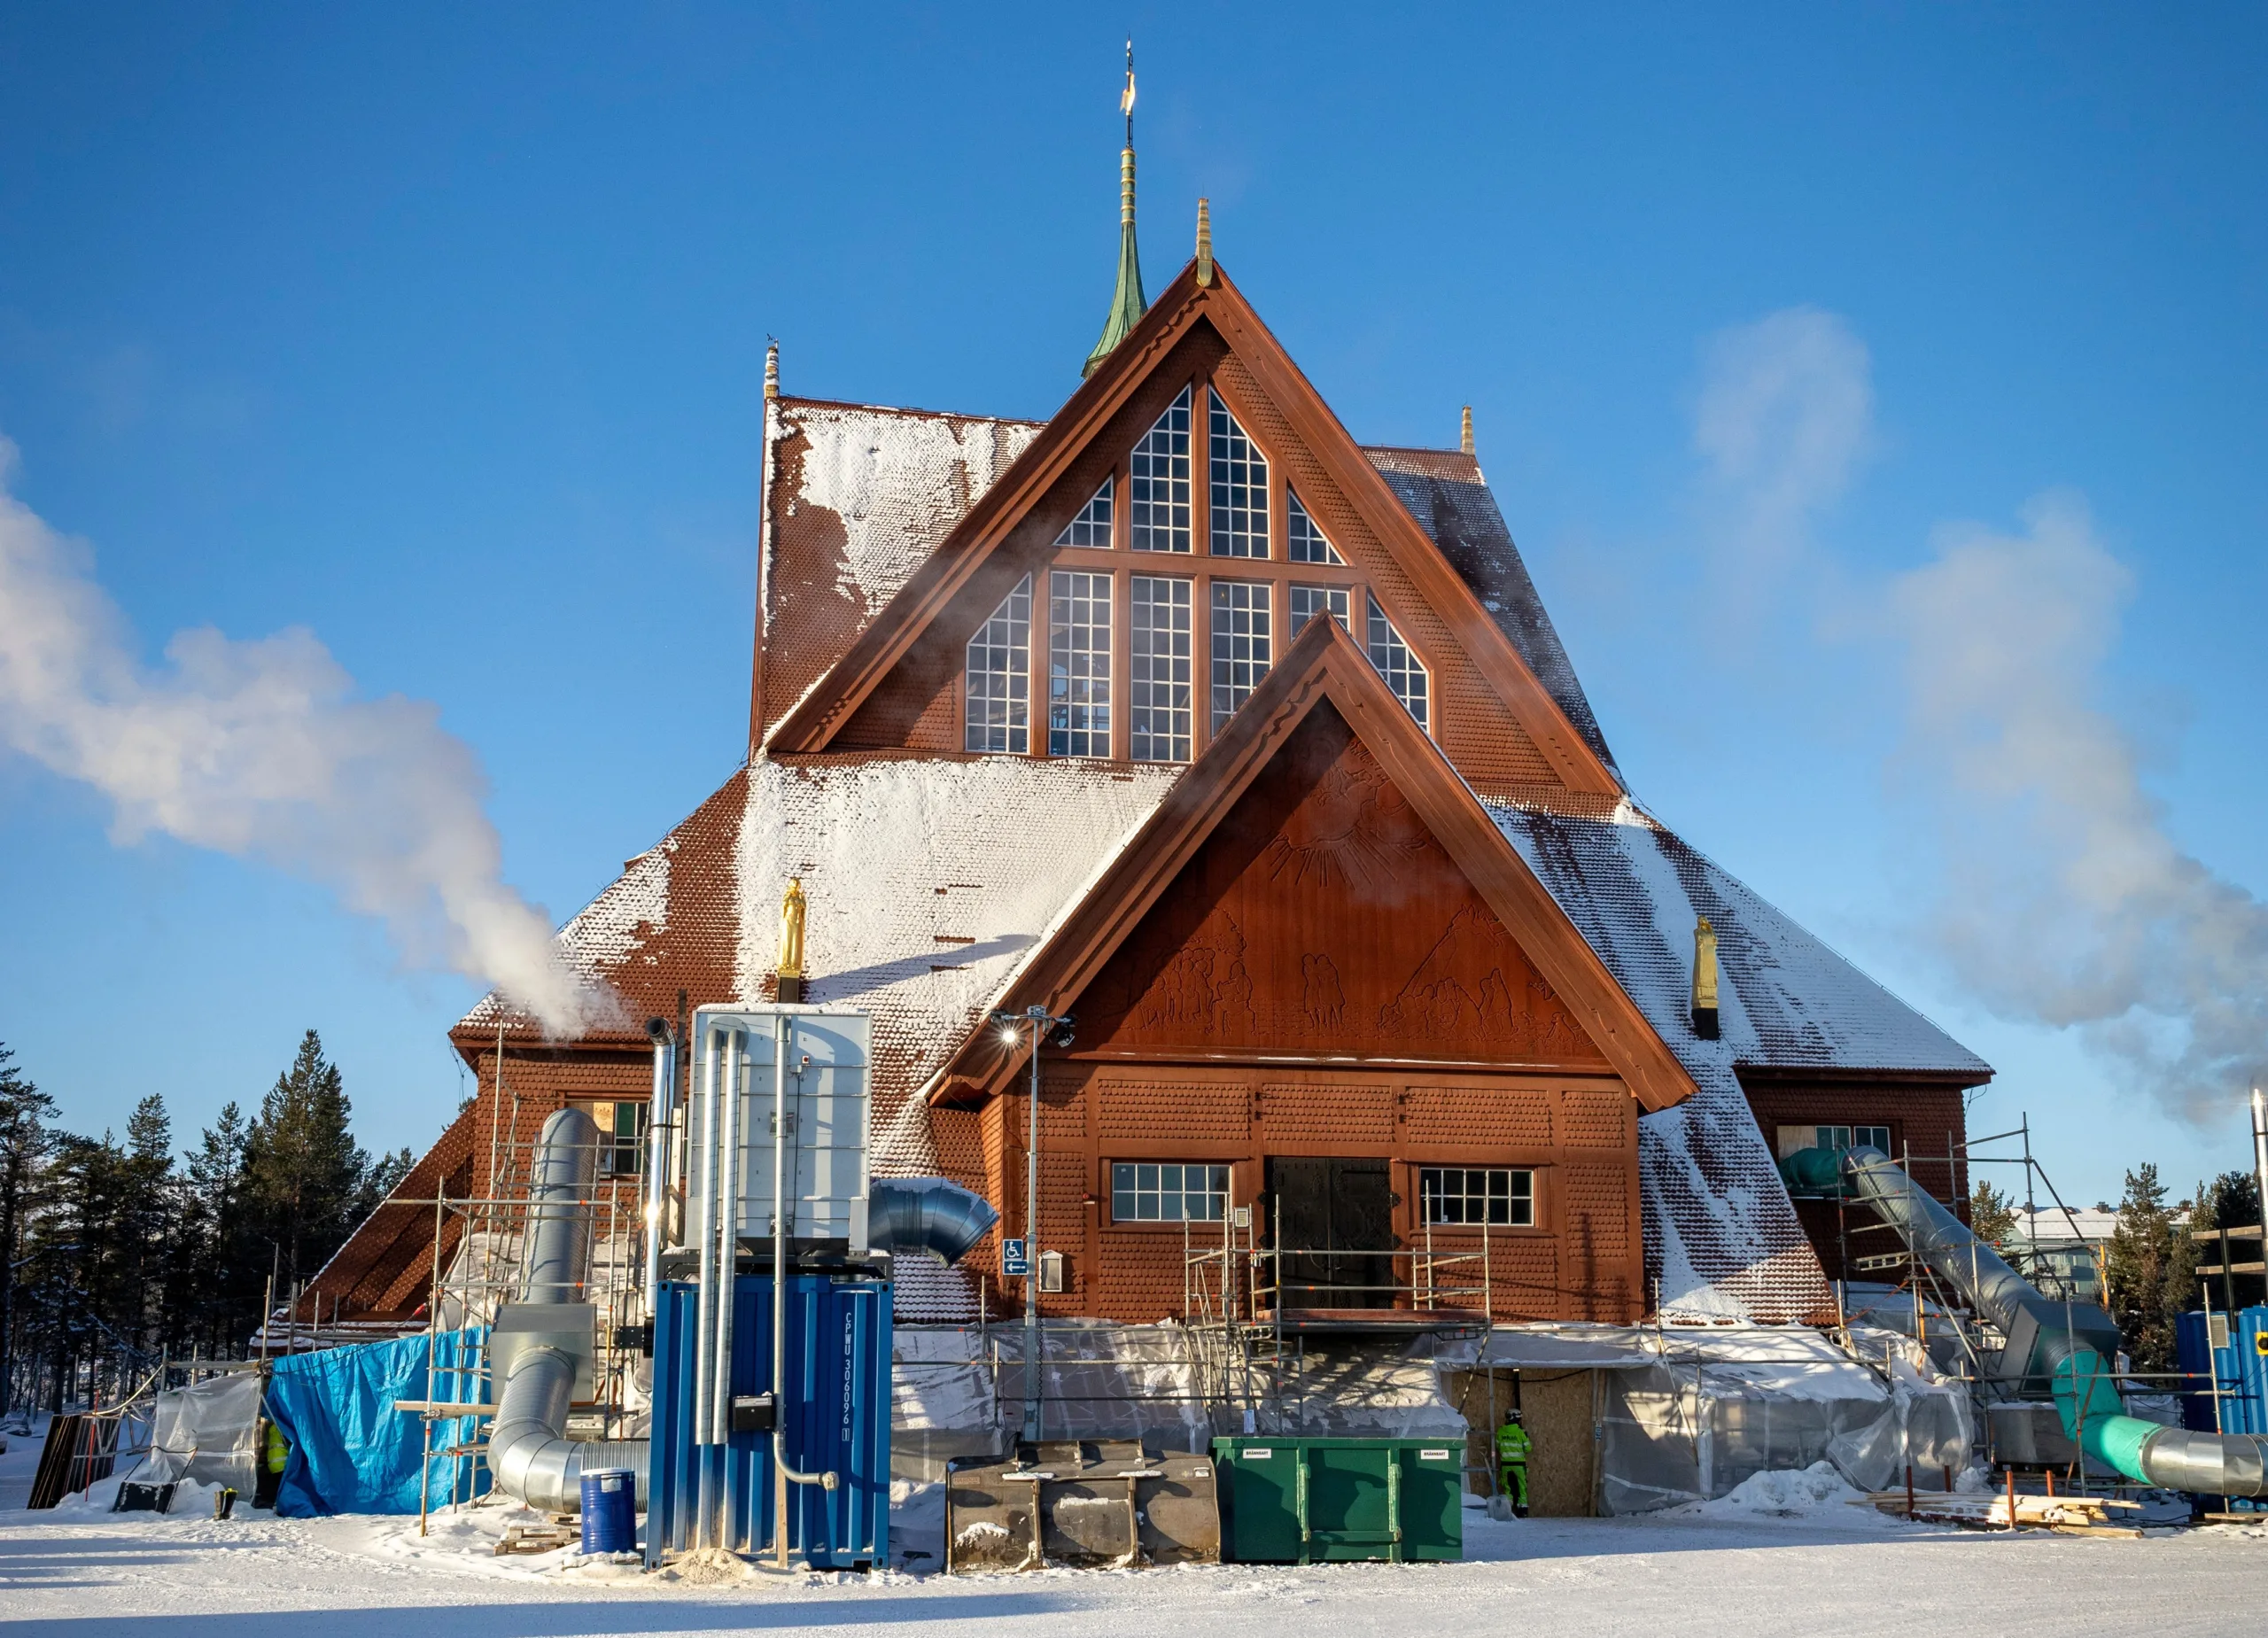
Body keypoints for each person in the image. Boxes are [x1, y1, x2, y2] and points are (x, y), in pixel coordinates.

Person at [1496, 1410, 1532, 1517]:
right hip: (1519, 1465)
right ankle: (1522, 1510)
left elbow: (1498, 1447)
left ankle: (1508, 1510)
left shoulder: (1500, 1431)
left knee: (1508, 1488)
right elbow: (1528, 1449)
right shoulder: (1520, 1432)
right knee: (1522, 1487)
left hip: (1505, 1465)